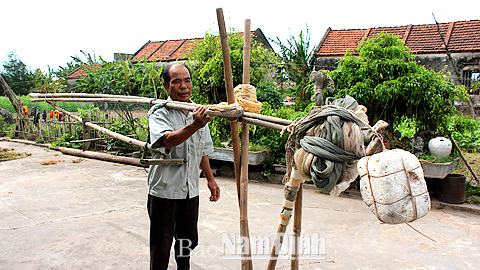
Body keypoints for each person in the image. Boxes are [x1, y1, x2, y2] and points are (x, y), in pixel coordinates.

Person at [146, 62, 220, 270]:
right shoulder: (160, 112)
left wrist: (211, 181)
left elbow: (202, 151)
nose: (183, 86)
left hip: (190, 191)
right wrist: (194, 125)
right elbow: (167, 140)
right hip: (164, 192)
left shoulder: (198, 111)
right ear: (166, 85)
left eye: (187, 80)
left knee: (186, 243)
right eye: (176, 81)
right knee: (161, 246)